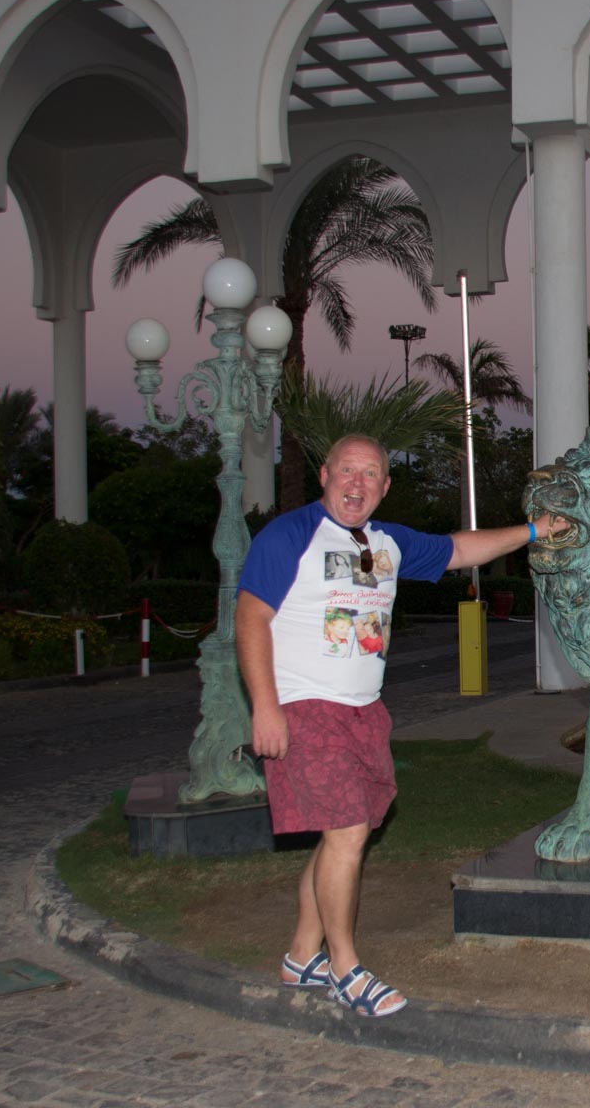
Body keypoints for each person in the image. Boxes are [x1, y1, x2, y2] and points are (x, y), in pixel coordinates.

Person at [235, 432, 566, 1019]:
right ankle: (345, 970)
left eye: (370, 474)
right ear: (325, 475)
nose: (356, 483)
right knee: (347, 832)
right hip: (306, 706)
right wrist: (265, 706)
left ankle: (301, 956)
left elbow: (459, 550)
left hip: (364, 710)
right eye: (347, 470)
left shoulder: (387, 542)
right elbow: (251, 619)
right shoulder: (288, 536)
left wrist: (535, 531)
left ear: (384, 486)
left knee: (343, 832)